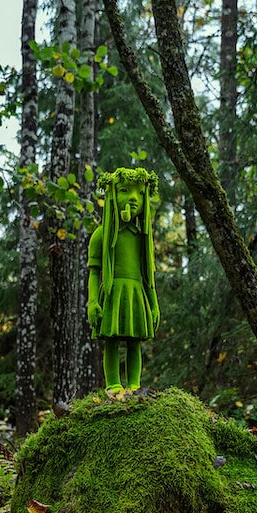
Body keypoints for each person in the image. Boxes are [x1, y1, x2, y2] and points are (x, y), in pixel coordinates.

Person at [86, 167, 160, 392]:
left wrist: (154, 305)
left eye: (139, 193)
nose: (133, 198)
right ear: (112, 195)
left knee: (134, 342)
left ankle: (134, 384)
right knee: (111, 341)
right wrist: (92, 302)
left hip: (136, 294)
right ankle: (113, 384)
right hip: (113, 292)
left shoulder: (142, 239)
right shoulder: (101, 235)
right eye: (125, 191)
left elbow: (148, 277)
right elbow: (94, 271)